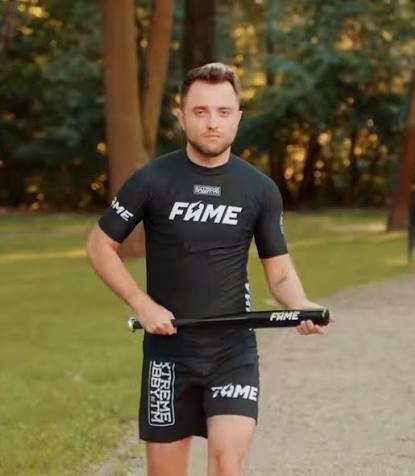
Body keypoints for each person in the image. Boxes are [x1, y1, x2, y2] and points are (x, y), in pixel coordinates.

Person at [86, 62, 332, 476]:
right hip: (168, 353)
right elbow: (99, 245)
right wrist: (142, 305)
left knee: (227, 463)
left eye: (223, 111)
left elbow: (279, 273)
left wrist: (301, 305)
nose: (212, 122)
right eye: (200, 111)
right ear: (181, 116)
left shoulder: (259, 190)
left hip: (232, 352)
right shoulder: (152, 180)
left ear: (238, 117)